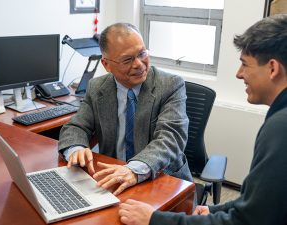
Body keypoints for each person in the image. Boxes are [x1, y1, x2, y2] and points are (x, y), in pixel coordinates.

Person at [118, 14, 287, 225]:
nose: (238, 73)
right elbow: (258, 202)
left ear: (273, 68)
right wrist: (215, 209)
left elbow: (248, 221)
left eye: (245, 64)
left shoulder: (281, 128)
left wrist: (154, 219)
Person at [58, 23, 192, 196]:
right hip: (114, 178)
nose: (139, 64)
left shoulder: (170, 85)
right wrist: (76, 149)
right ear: (106, 65)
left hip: (161, 178)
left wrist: (133, 170)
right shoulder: (97, 87)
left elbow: (170, 139)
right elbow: (75, 127)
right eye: (127, 60)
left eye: (142, 53)